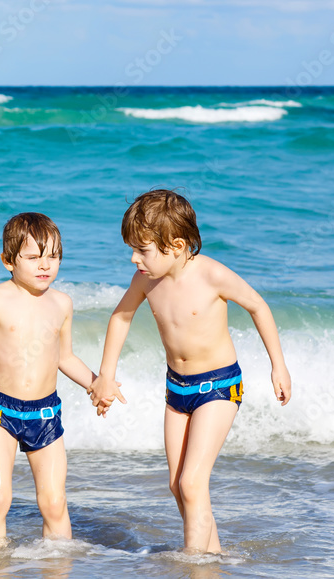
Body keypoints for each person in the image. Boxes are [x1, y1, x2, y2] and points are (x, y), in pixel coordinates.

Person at [88, 189, 292, 554]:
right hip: (176, 389)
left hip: (219, 387)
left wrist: (278, 365)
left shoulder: (212, 275)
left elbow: (258, 306)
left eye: (143, 249)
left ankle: (194, 564)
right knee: (177, 484)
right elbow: (120, 317)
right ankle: (212, 556)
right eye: (132, 250)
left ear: (177, 245)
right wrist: (105, 374)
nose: (135, 259)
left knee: (193, 483)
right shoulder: (145, 280)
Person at [0, 212, 107, 546]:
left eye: (53, 256)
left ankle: (58, 564)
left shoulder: (62, 303)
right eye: (34, 257)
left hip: (45, 413)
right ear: (9, 261)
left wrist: (95, 382)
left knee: (53, 502)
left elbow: (65, 357)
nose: (44, 265)